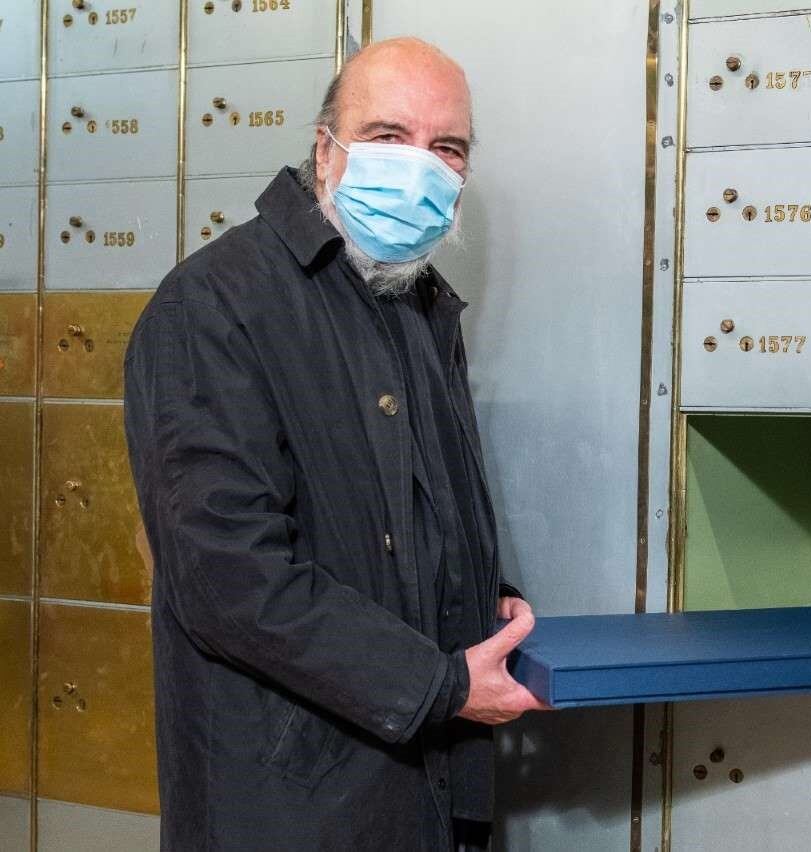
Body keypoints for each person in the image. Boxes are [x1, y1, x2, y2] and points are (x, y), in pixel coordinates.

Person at [124, 38, 547, 851]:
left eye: (447, 147)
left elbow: (409, 510)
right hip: (292, 806)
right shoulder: (212, 306)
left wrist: (480, 597)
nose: (419, 168)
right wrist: (441, 684)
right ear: (325, 151)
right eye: (388, 136)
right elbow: (226, 579)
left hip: (420, 785)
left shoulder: (415, 304)